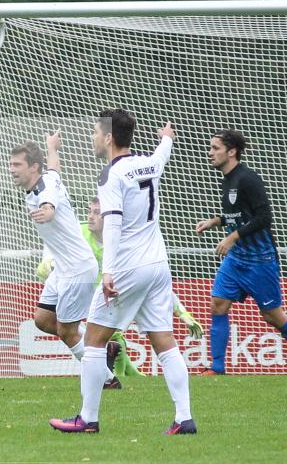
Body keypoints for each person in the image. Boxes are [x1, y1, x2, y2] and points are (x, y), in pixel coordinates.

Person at [50, 110, 195, 435]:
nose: (92, 138)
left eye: (95, 132)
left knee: (93, 339)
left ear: (109, 137)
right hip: (158, 265)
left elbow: (112, 223)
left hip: (128, 267)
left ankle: (87, 418)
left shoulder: (111, 175)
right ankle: (184, 418)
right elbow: (162, 156)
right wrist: (167, 138)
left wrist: (108, 271)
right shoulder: (147, 163)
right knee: (164, 341)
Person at [196, 129, 287, 375]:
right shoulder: (227, 180)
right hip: (237, 259)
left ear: (231, 152)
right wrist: (215, 222)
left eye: (215, 148)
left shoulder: (248, 179)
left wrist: (232, 237)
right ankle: (217, 368)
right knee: (218, 304)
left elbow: (264, 217)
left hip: (259, 260)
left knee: (271, 315)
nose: (210, 153)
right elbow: (239, 216)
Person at [37, 196, 205, 380]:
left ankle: (116, 376)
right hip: (81, 288)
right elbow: (54, 238)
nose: (90, 217)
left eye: (96, 213)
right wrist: (49, 258)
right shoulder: (80, 232)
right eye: (89, 211)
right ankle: (118, 367)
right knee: (44, 321)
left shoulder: (124, 244)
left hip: (111, 291)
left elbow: (154, 281)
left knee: (109, 331)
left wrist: (182, 312)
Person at [9, 132, 98, 366]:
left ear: (33, 167)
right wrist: (52, 148)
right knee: (43, 319)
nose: (11, 169)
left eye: (17, 164)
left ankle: (105, 376)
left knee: (67, 333)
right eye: (11, 164)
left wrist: (47, 210)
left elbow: (48, 203)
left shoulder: (43, 191)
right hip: (63, 268)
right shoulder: (48, 176)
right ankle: (101, 347)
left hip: (77, 268)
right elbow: (55, 169)